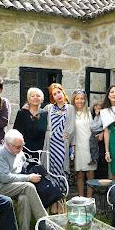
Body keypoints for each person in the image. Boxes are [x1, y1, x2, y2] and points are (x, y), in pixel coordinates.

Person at [0, 129, 57, 230]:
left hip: (18, 186)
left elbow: (22, 169)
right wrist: (28, 178)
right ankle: (43, 221)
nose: (21, 149)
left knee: (24, 199)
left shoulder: (19, 152)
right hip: (2, 187)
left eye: (22, 146)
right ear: (8, 144)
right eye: (17, 147)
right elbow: (5, 178)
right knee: (29, 186)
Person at [42, 83, 75, 213]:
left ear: (63, 92)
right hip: (50, 144)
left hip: (62, 145)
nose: (58, 95)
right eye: (54, 94)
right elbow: (37, 114)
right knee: (50, 173)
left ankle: (61, 203)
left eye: (59, 92)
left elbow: (72, 127)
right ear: (52, 97)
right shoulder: (49, 108)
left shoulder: (70, 108)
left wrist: (68, 134)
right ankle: (52, 204)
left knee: (60, 173)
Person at [71, 89, 96, 197]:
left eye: (82, 99)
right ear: (74, 100)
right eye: (77, 99)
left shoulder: (89, 112)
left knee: (90, 172)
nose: (79, 101)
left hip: (88, 145)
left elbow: (94, 127)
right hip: (77, 145)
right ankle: (81, 198)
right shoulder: (71, 112)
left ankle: (89, 198)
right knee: (79, 173)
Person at [13, 87, 47, 159]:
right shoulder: (21, 113)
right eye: (32, 96)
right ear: (29, 99)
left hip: (40, 147)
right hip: (24, 147)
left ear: (42, 99)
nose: (35, 98)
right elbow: (16, 131)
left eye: (38, 96)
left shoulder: (45, 114)